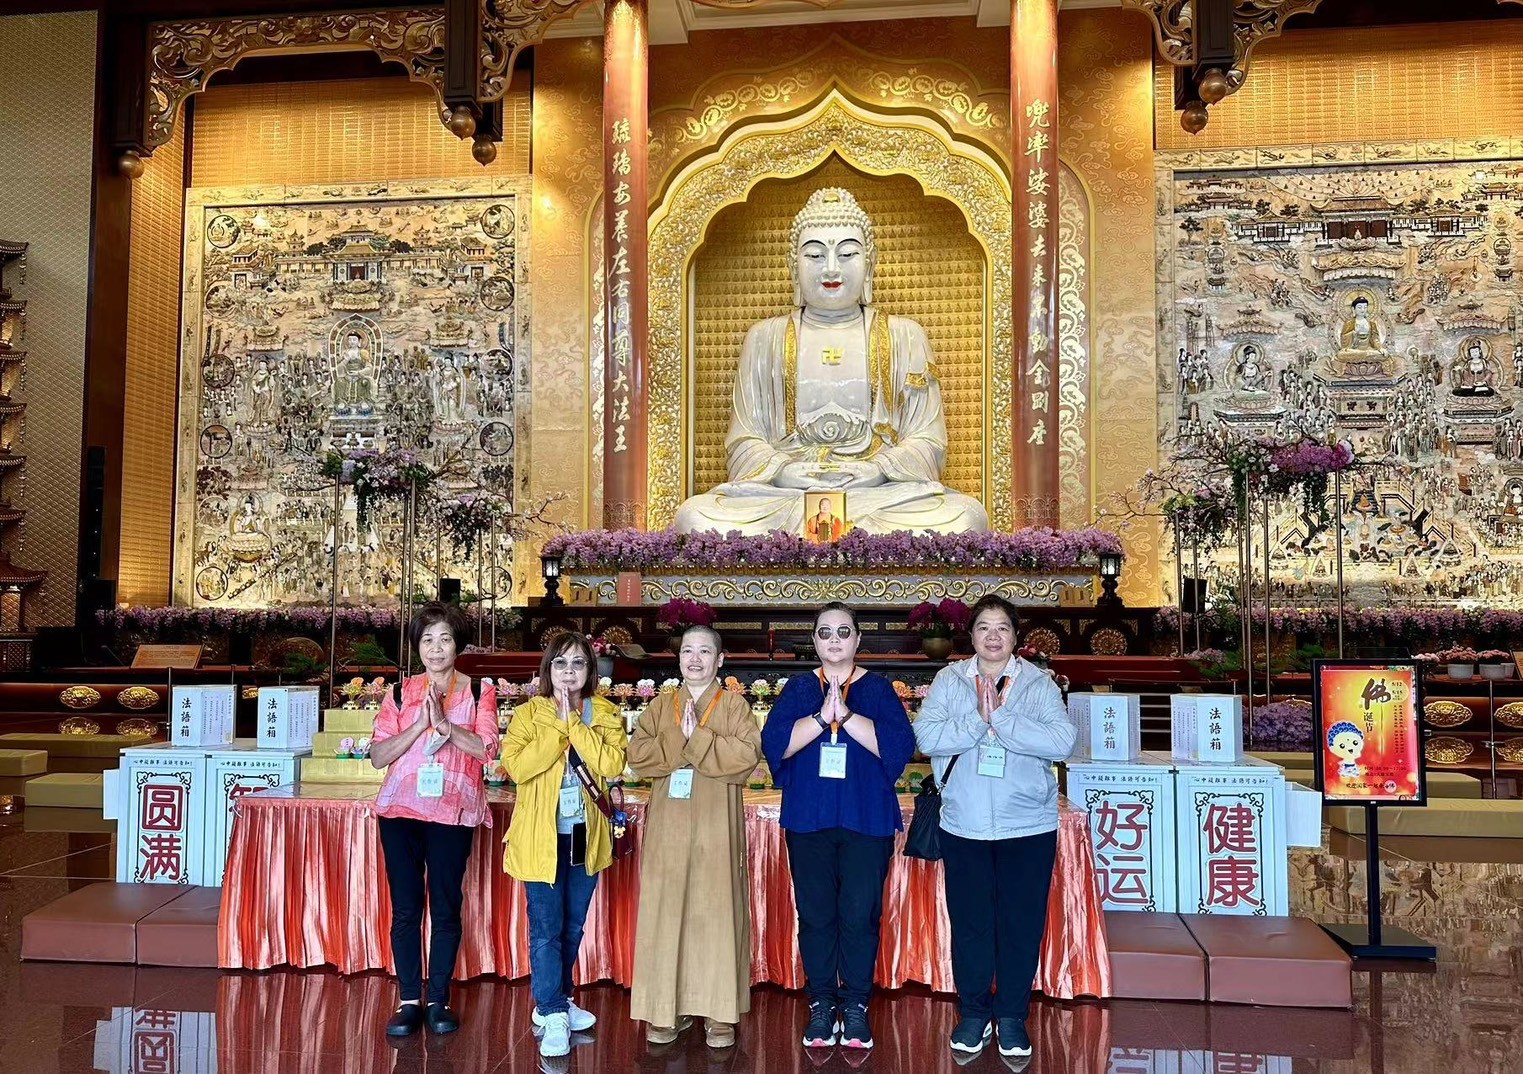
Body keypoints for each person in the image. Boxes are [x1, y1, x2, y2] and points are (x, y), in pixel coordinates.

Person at [912, 594, 1076, 1060]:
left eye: (1002, 627)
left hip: (1027, 825)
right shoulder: (949, 681)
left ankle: (1011, 1016)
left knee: (1020, 924)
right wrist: (976, 719)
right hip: (964, 824)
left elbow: (1062, 741)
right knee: (971, 924)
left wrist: (1001, 718)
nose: (993, 636)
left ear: (1016, 636)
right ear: (971, 635)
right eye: (984, 627)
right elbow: (926, 737)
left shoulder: (1039, 684)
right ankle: (973, 1013)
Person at [760, 601, 916, 1051]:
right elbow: (776, 746)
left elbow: (897, 748)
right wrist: (819, 717)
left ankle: (856, 1003)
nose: (834, 640)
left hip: (866, 818)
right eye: (825, 632)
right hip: (810, 818)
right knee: (815, 914)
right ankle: (822, 1001)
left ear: (858, 639)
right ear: (814, 641)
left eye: (843, 632)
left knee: (859, 915)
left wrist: (845, 715)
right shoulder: (798, 688)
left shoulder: (878, 688)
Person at [627, 625, 762, 1049]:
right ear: (679, 657)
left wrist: (696, 739)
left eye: (705, 651)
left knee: (716, 913)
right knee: (666, 914)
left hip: (716, 827)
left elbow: (746, 757)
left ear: (720, 660)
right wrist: (678, 738)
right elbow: (638, 756)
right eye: (688, 651)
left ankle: (719, 1013)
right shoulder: (660, 705)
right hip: (668, 828)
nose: (695, 659)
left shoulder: (735, 706)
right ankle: (667, 1010)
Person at [369, 602, 499, 1038]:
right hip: (400, 812)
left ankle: (438, 998)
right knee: (406, 908)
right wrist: (419, 724)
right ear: (417, 647)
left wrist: (445, 726)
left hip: (452, 813)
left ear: (457, 645)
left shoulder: (479, 692)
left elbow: (487, 749)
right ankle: (409, 1000)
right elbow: (378, 755)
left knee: (445, 907)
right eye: (427, 640)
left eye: (444, 639)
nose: (436, 648)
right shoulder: (399, 693)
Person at [502, 633, 627, 1059]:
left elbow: (611, 763)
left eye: (578, 663)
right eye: (560, 663)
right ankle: (552, 1010)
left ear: (590, 671)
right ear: (548, 669)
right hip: (541, 837)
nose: (569, 671)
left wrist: (575, 722)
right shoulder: (527, 714)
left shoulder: (605, 712)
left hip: (584, 836)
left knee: (572, 925)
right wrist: (559, 725)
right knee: (545, 928)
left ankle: (559, 998)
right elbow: (518, 767)